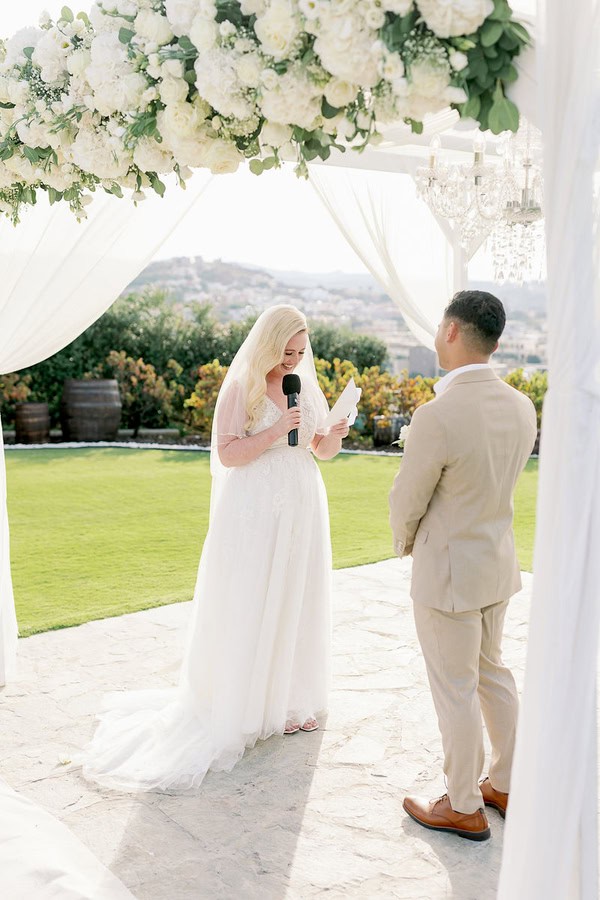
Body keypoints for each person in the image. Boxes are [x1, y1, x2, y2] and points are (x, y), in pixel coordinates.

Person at [82, 305, 349, 791]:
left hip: (303, 503)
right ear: (268, 344)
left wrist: (334, 435)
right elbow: (228, 453)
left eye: (300, 352)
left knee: (297, 593)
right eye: (286, 352)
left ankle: (291, 698)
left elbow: (318, 449)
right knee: (254, 595)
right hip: (255, 507)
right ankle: (249, 700)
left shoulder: (306, 386)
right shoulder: (242, 387)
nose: (293, 361)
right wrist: (275, 429)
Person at [389, 290, 537, 841]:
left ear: (451, 331)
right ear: (494, 342)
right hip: (496, 564)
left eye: (438, 327)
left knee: (456, 688)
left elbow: (408, 499)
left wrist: (406, 542)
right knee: (492, 674)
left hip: (449, 573)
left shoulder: (438, 414)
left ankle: (463, 804)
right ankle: (507, 784)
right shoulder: (521, 406)